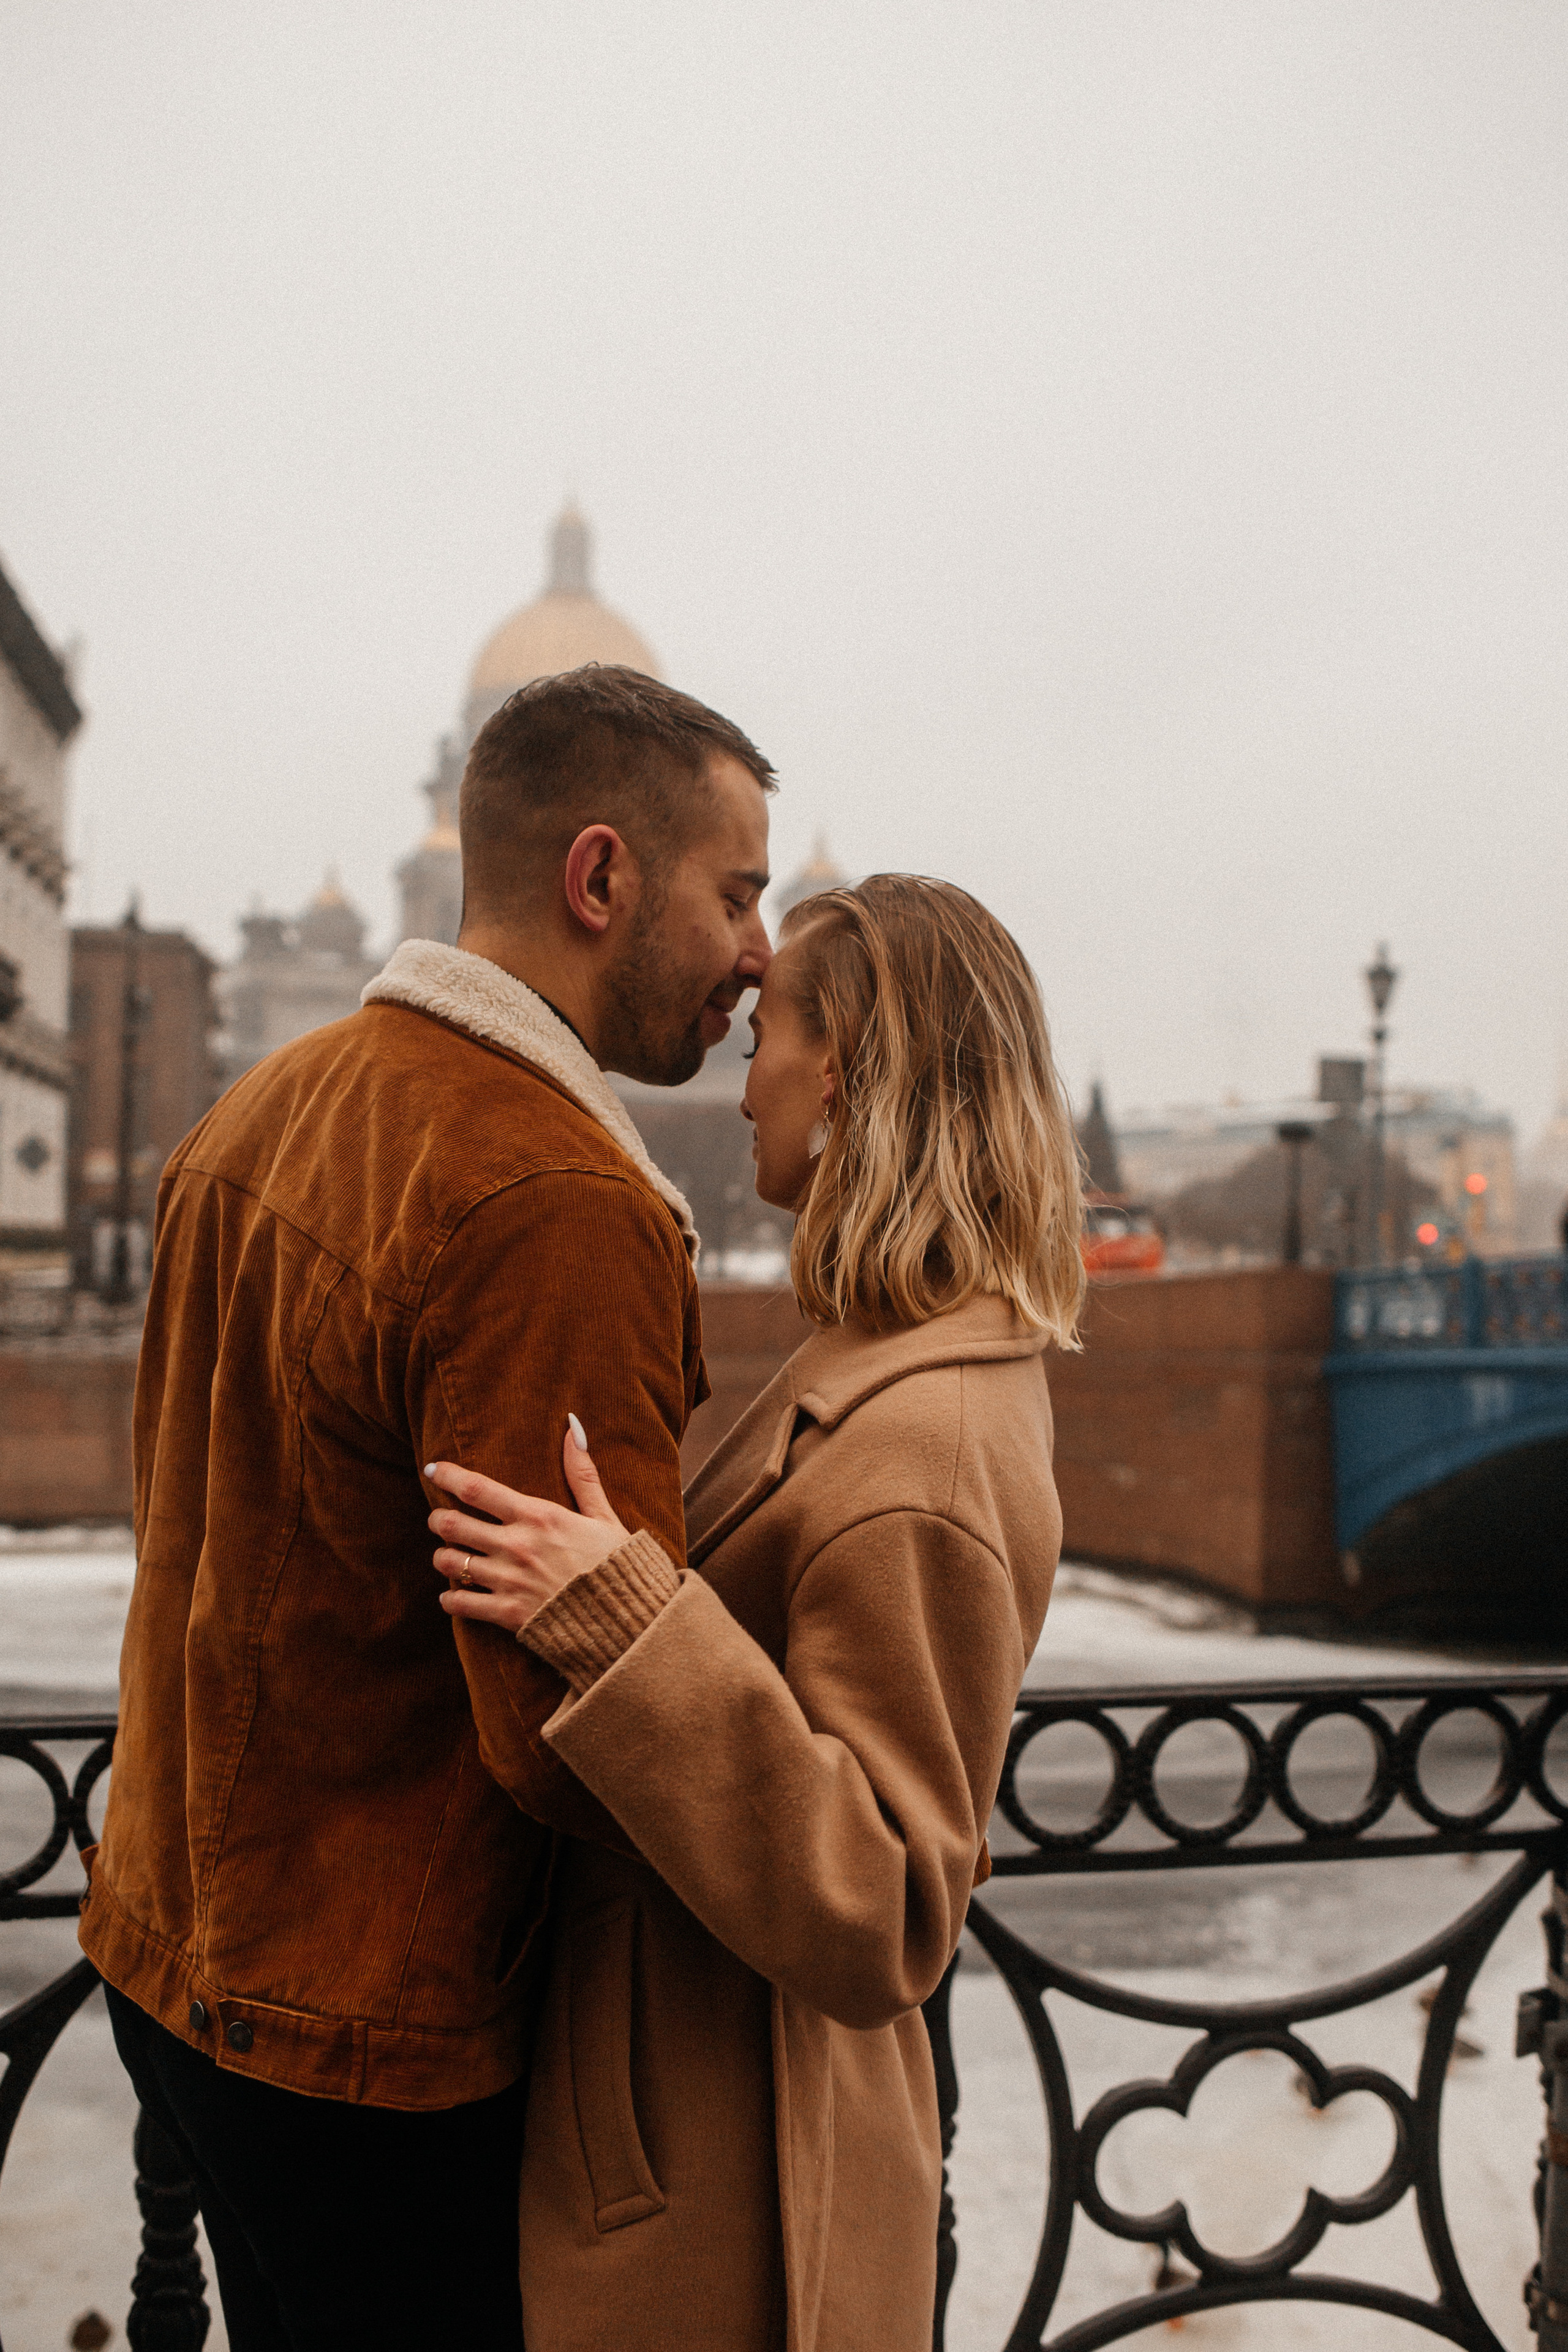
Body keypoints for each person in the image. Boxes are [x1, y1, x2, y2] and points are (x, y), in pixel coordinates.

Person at [78, 665, 775, 2350]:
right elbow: (565, 1732)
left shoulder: (255, 1115)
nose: (765, 950)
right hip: (378, 2043)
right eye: (740, 893)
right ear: (601, 880)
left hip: (183, 1957)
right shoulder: (552, 1195)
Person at [425, 875, 1085, 2352]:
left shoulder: (928, 1445)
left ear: (846, 1065)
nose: (742, 1084)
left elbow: (890, 1907)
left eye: (764, 1040)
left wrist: (624, 1626)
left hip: (735, 2184)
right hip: (697, 2110)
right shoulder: (885, 1360)